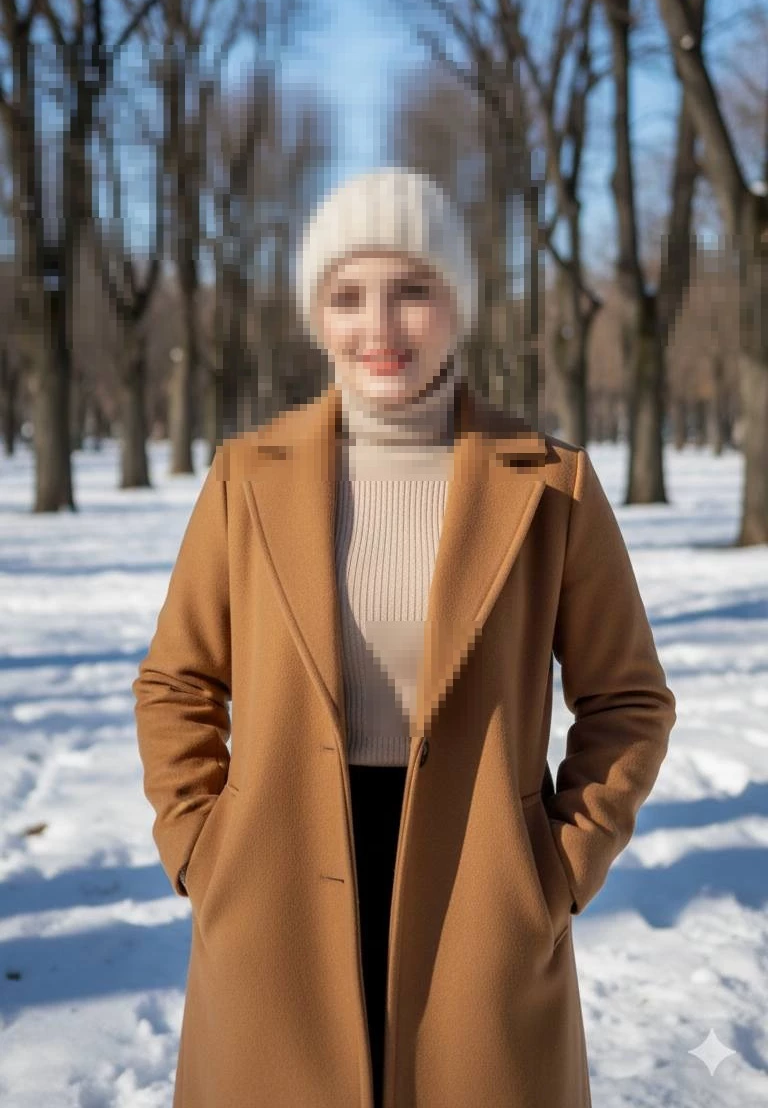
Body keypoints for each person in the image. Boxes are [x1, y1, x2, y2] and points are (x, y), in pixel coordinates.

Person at [132, 166, 676, 1108]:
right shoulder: (247, 479)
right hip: (275, 900)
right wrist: (203, 850)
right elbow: (177, 683)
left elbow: (628, 700)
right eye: (348, 296)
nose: (380, 327)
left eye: (413, 290)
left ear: (457, 303)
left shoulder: (551, 486)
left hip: (482, 899)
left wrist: (558, 868)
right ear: (317, 315)